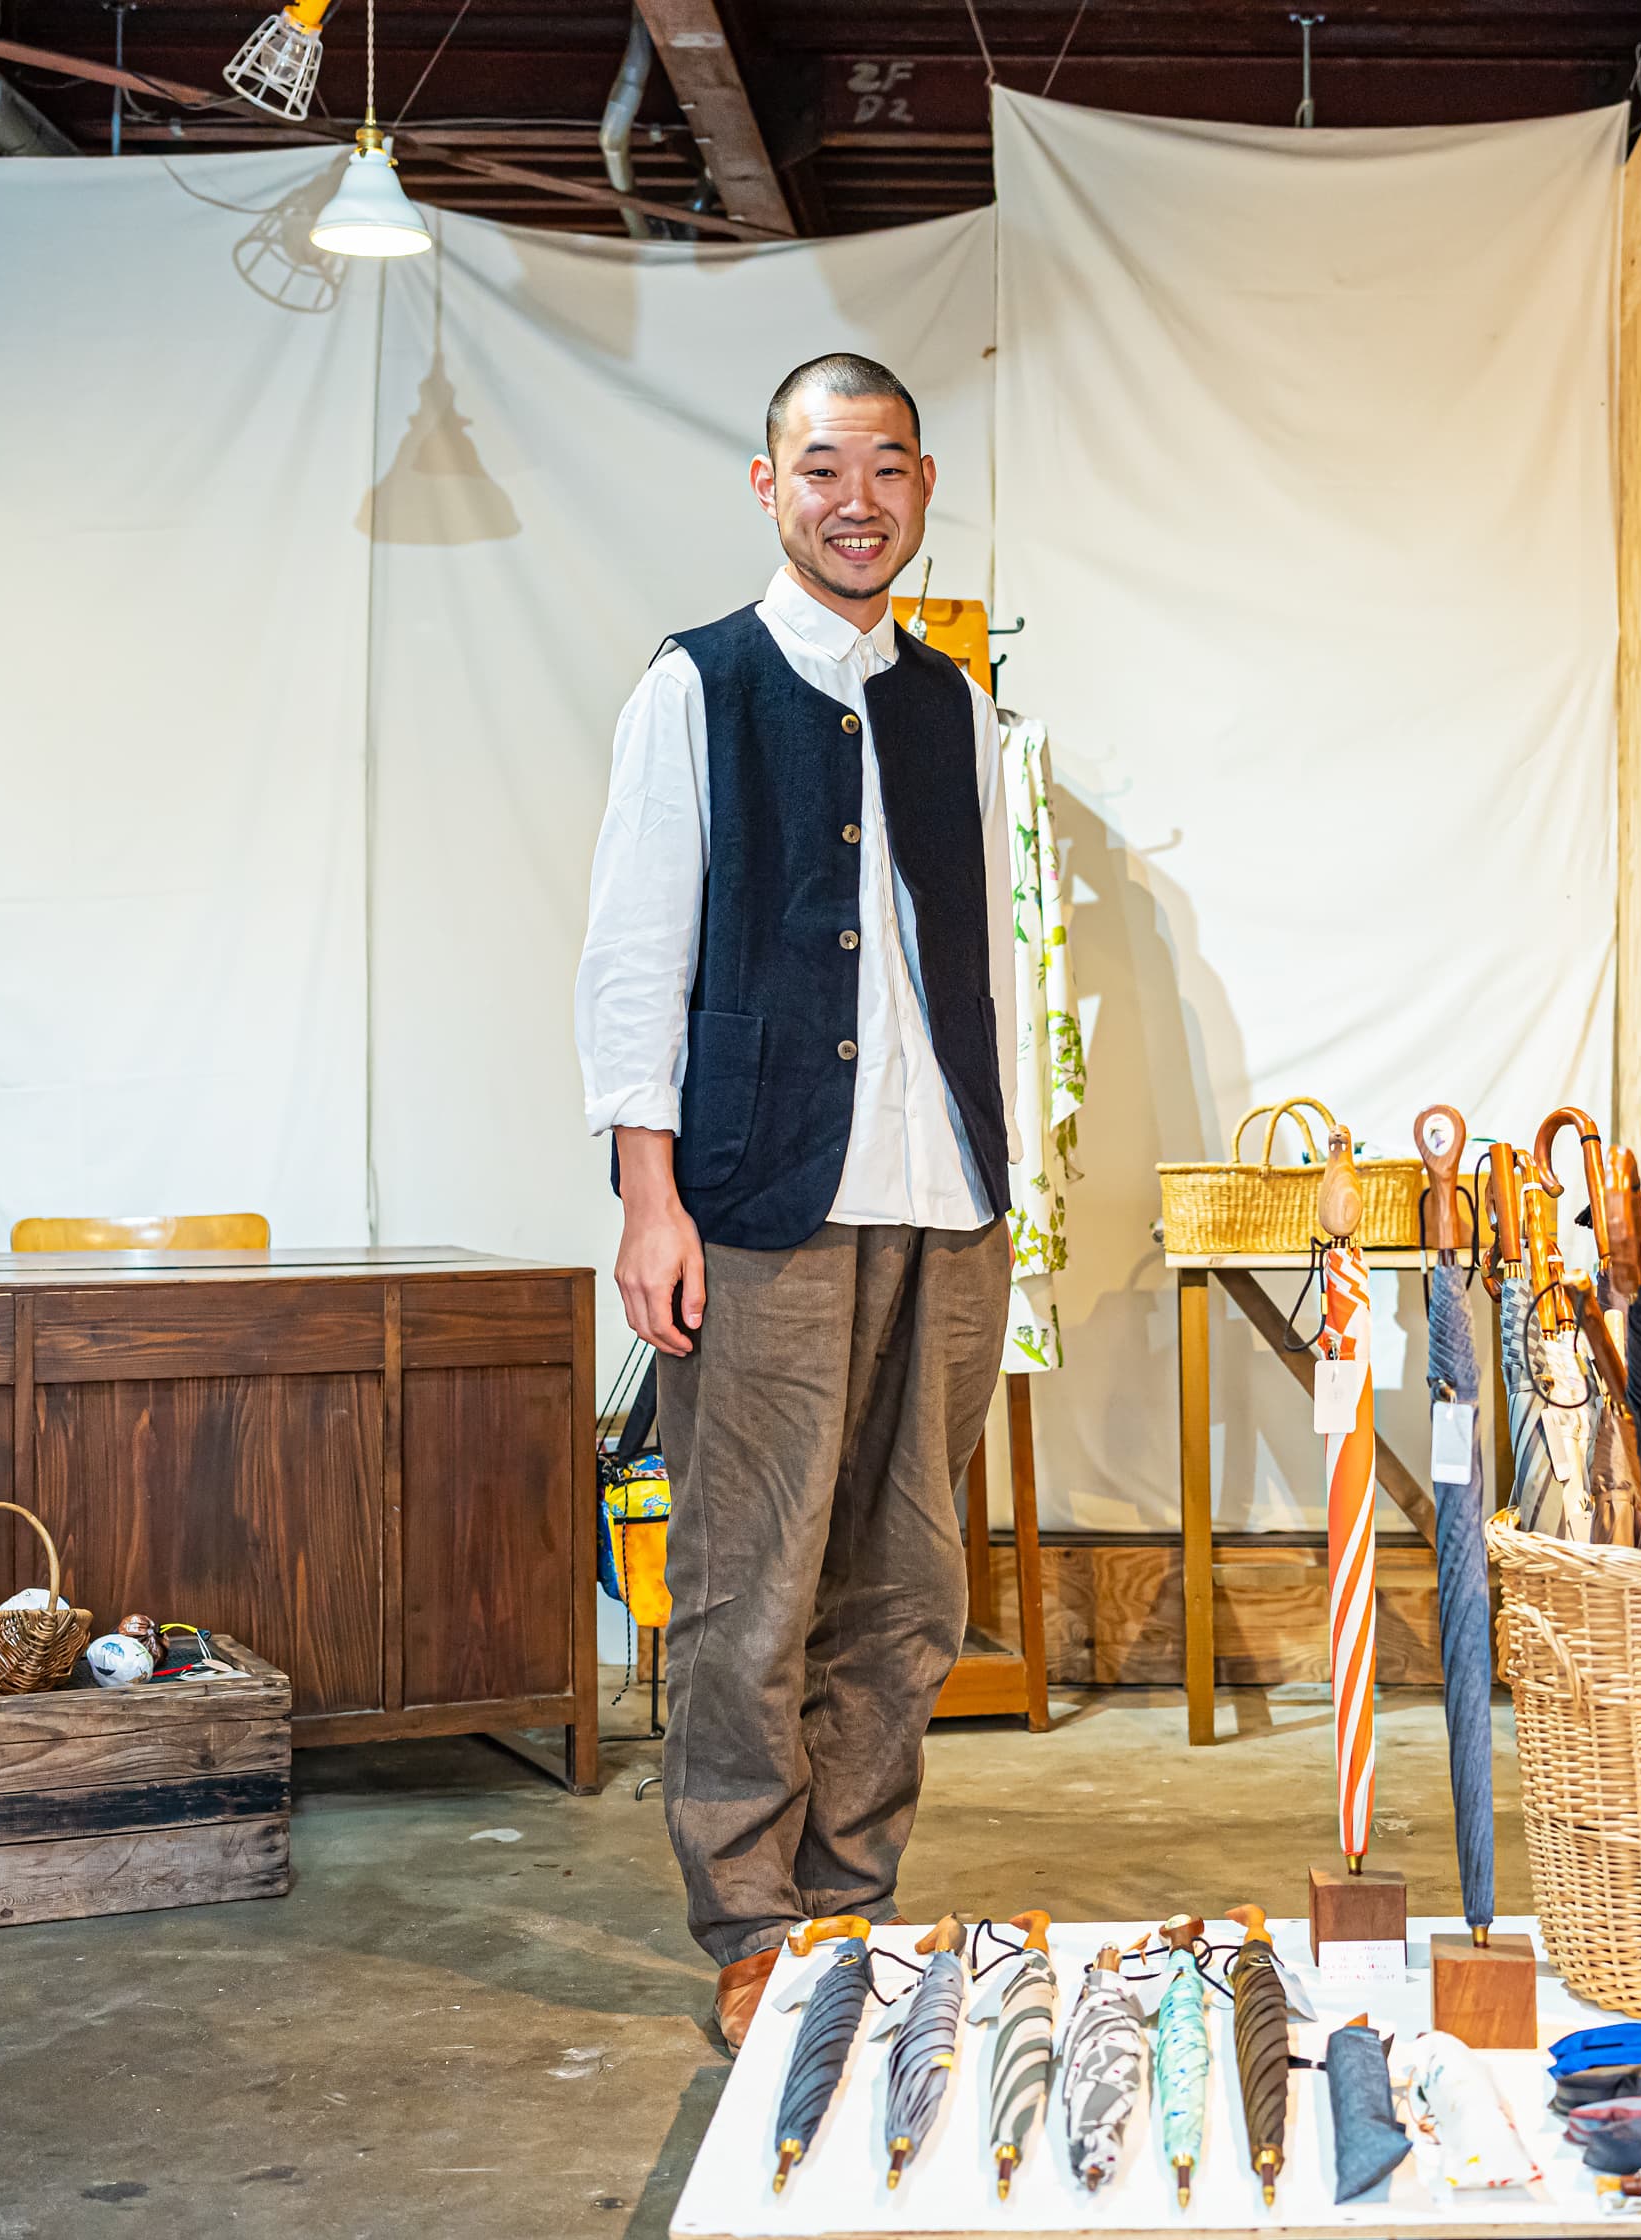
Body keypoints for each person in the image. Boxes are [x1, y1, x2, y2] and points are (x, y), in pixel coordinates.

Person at [575, 353, 1014, 2052]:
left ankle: (852, 1907)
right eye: (823, 468)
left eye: (888, 469)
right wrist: (647, 1197)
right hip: (760, 1192)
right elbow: (634, 960)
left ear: (920, 490)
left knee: (907, 1590)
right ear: (771, 488)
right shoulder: (696, 688)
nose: (858, 500)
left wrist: (1007, 1190)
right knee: (751, 1577)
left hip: (944, 1197)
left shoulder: (953, 706)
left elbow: (971, 968)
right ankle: (752, 1918)